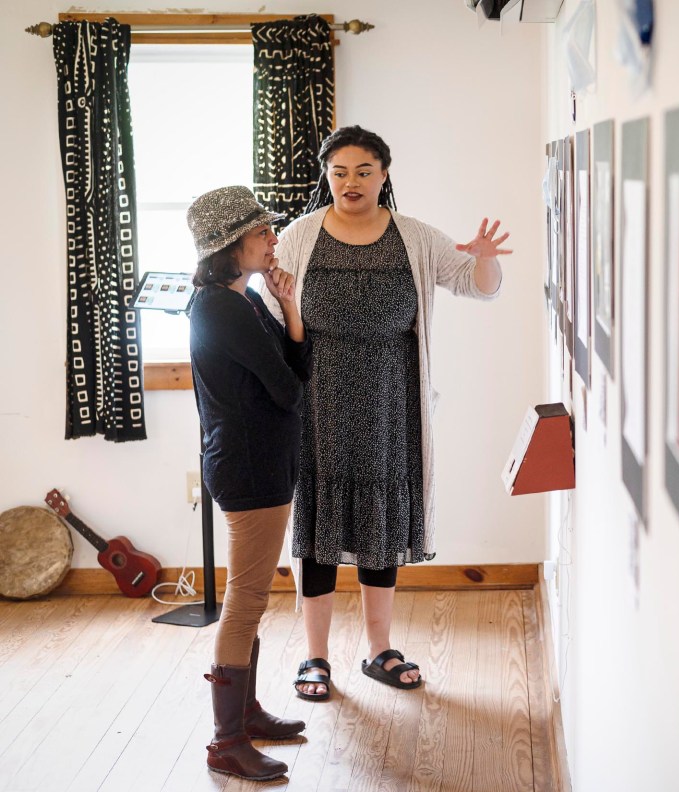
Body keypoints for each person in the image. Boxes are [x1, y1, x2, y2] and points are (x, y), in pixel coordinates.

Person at [260, 125, 511, 700]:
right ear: (327, 177)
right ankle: (315, 658)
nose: (351, 183)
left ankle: (380, 650)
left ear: (384, 175)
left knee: (380, 528)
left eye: (363, 171)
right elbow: (279, 327)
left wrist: (486, 260)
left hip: (391, 408)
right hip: (319, 406)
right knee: (317, 533)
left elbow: (479, 287)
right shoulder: (300, 236)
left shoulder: (415, 237)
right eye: (340, 172)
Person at [187, 186, 312, 781]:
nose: (273, 240)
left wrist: (288, 308)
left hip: (261, 462)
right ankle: (226, 741)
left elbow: (295, 372)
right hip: (249, 467)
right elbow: (289, 389)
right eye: (263, 233)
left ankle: (249, 713)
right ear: (231, 245)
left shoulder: (243, 299)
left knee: (251, 598)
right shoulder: (222, 308)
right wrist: (286, 363)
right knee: (245, 603)